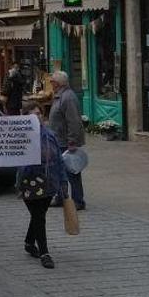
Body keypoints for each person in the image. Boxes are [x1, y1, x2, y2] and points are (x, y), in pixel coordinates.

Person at [18, 103, 67, 270]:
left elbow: (59, 160)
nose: (37, 117)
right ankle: (45, 253)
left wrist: (63, 181)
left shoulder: (50, 135)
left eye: (39, 113)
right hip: (28, 182)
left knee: (38, 215)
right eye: (32, 115)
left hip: (48, 181)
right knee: (39, 216)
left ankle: (29, 242)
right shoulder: (21, 136)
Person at [48, 70, 86, 210]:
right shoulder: (59, 96)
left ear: (57, 83)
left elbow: (74, 121)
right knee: (58, 171)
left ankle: (78, 200)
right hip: (58, 140)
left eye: (52, 81)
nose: (50, 83)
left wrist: (72, 141)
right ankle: (60, 196)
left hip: (66, 142)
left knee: (72, 172)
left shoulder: (68, 97)